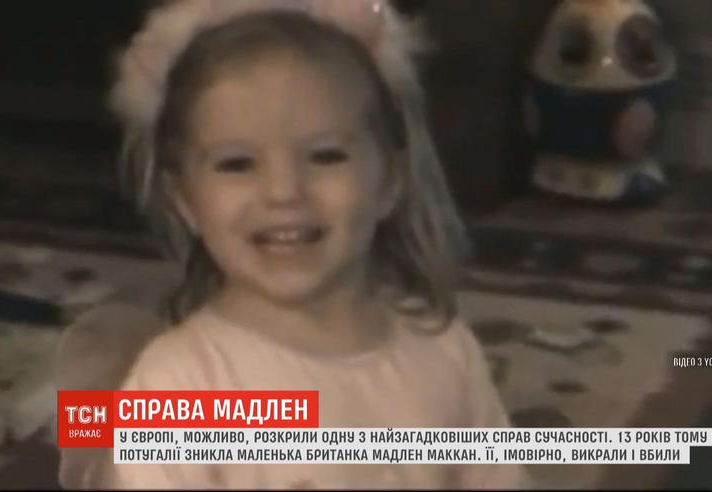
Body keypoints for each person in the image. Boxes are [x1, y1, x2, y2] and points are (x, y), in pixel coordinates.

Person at [57, 0, 529, 489]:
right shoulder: (178, 390)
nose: (284, 192)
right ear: (185, 200)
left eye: (325, 155)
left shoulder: (445, 350)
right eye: (237, 164)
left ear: (390, 180)